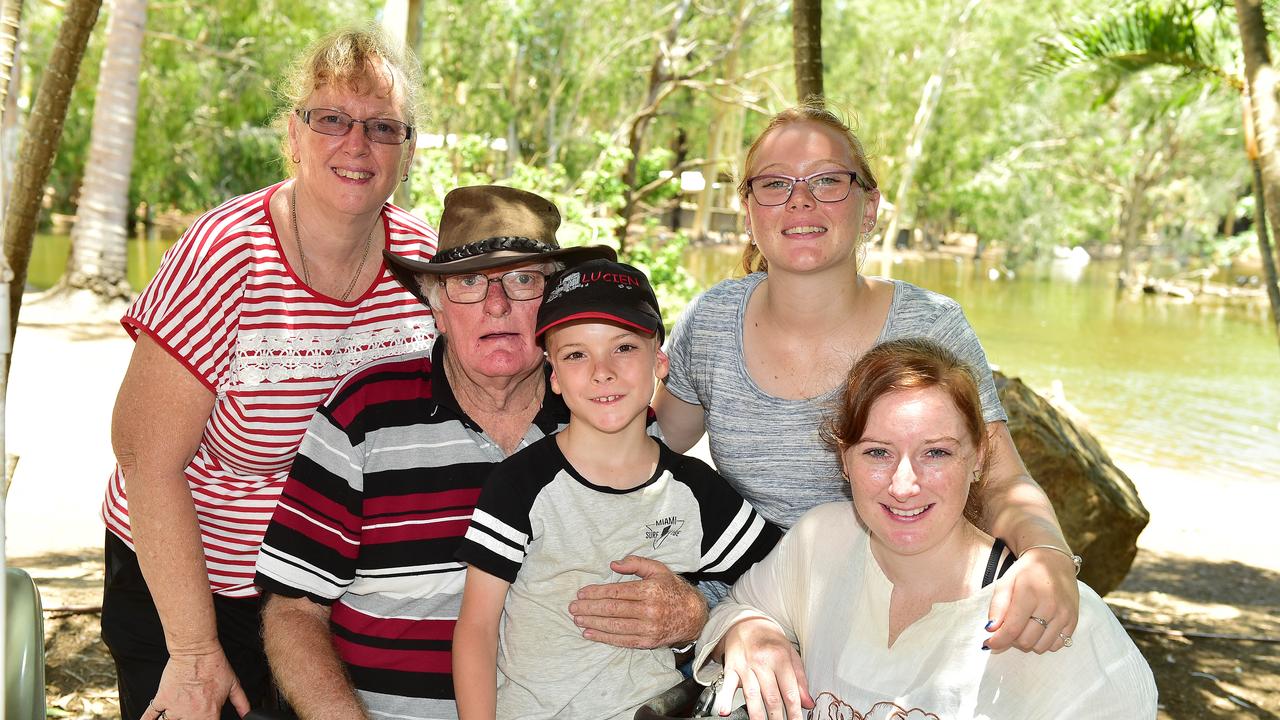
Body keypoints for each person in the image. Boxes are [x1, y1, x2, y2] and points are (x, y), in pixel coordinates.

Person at [645, 102, 1082, 657]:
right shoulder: (711, 322)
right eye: (775, 184)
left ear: (869, 206)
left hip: (898, 609)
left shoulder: (930, 325)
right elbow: (650, 453)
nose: (800, 200)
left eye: (827, 181)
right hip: (749, 610)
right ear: (750, 210)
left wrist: (1047, 555)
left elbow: (998, 479)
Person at [254, 188, 706, 720]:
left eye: (523, 279)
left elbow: (688, 562)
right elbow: (292, 609)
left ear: (554, 306)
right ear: (437, 309)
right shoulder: (364, 416)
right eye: (468, 282)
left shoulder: (609, 413)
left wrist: (691, 616)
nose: (497, 304)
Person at [102, 28, 435, 720]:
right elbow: (144, 455)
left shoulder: (423, 266)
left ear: (406, 153)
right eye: (332, 120)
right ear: (294, 135)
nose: (356, 144)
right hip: (189, 583)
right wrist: (193, 651)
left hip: (327, 593)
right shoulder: (226, 254)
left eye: (382, 127)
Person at [692, 339, 1157, 719]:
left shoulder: (1054, 618)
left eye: (935, 452)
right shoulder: (822, 541)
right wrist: (750, 632)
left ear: (977, 459)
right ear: (844, 459)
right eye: (877, 452)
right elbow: (738, 608)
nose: (904, 485)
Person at [451, 259, 783, 720]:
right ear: (554, 377)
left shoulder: (695, 490)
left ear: (660, 361)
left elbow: (786, 575)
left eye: (624, 347)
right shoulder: (520, 485)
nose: (602, 371)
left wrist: (745, 625)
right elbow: (477, 628)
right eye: (575, 355)